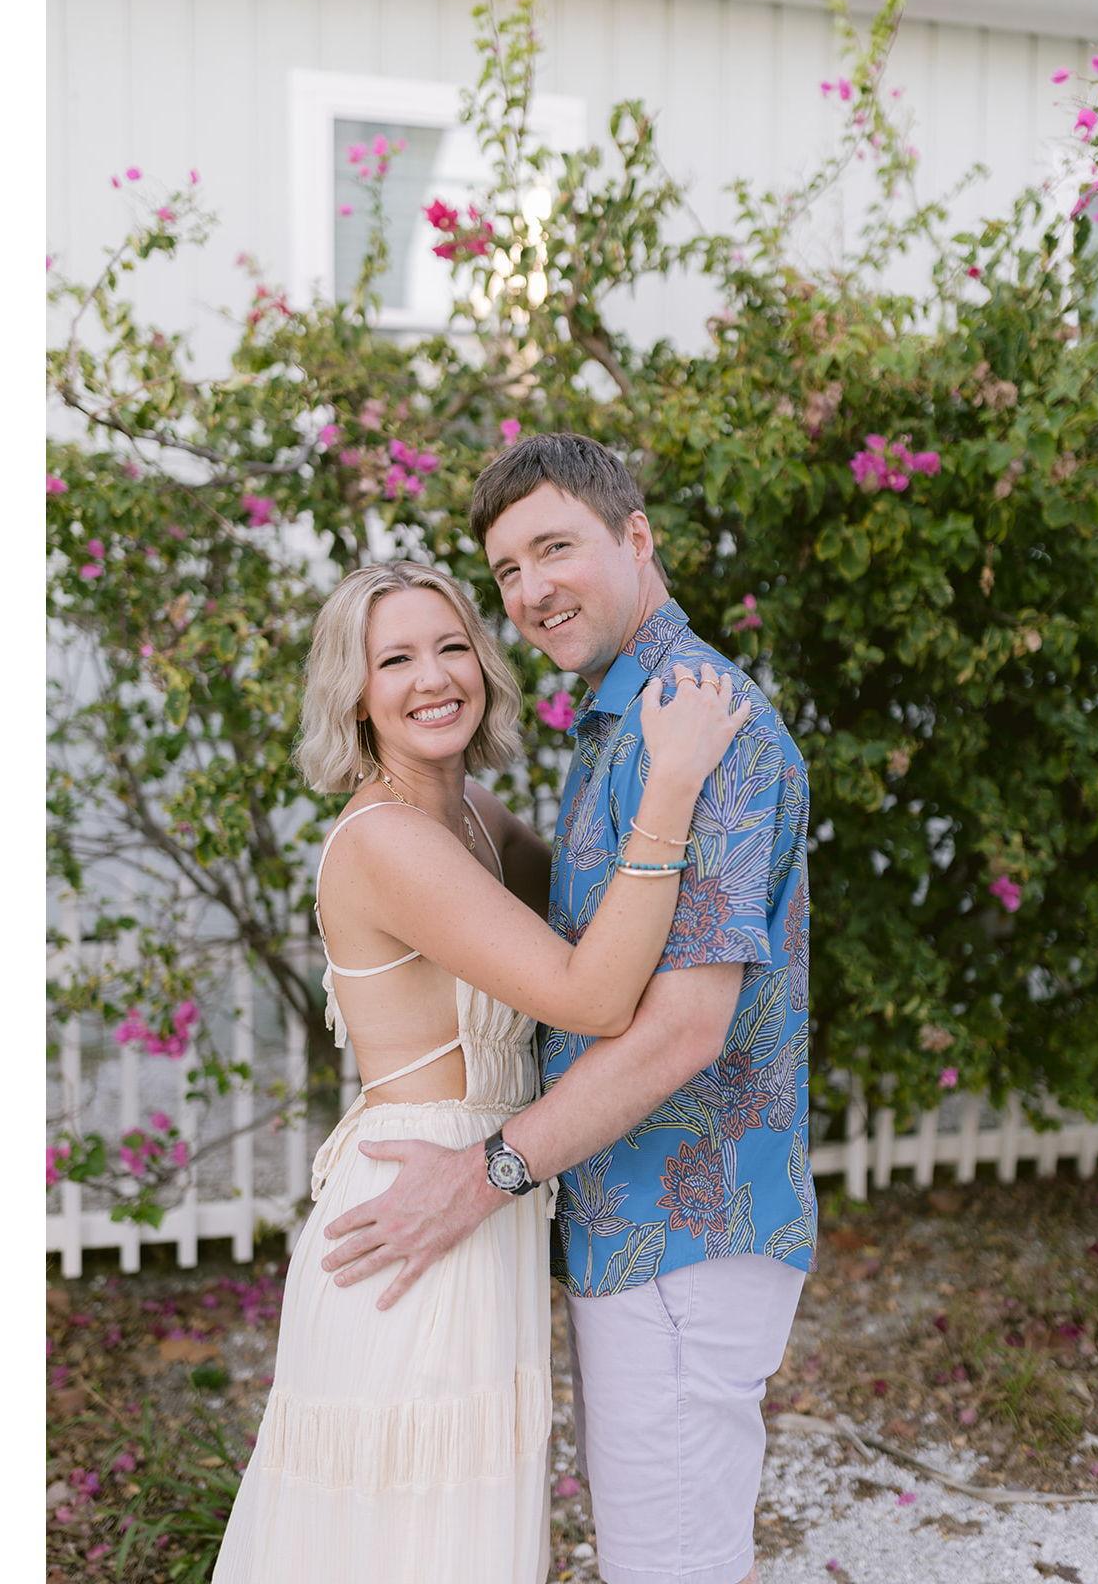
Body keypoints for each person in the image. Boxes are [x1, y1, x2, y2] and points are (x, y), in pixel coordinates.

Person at [322, 433, 816, 1584]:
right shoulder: (617, 728)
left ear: (635, 537)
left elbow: (686, 1025)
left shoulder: (701, 729)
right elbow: (554, 942)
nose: (533, 588)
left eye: (556, 547)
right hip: (616, 1221)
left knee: (672, 1565)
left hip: (686, 1226)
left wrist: (490, 1169)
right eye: (507, 570)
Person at [211, 557, 749, 1583]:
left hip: (485, 1203)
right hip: (413, 1216)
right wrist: (673, 786)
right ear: (355, 694)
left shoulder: (475, 818)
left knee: (460, 1533)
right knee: (401, 1543)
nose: (432, 677)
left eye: (451, 644)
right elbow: (591, 994)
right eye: (395, 658)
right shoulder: (384, 841)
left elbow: (611, 927)